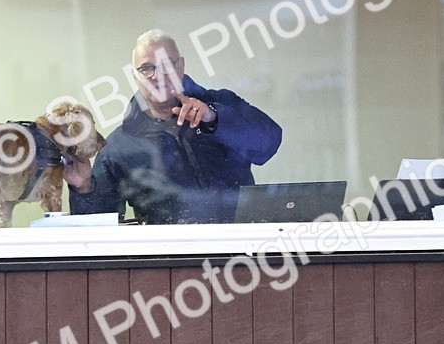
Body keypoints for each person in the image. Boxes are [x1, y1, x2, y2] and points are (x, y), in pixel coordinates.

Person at [65, 29, 282, 224]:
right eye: (147, 69)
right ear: (135, 76)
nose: (158, 76)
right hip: (169, 262)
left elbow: (269, 142)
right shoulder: (118, 146)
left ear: (181, 66)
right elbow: (98, 231)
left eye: (167, 65)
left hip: (242, 249)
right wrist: (84, 188)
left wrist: (214, 118)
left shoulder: (222, 105)